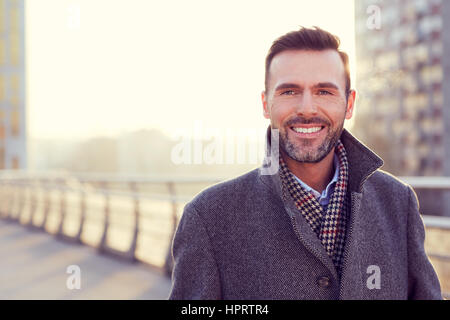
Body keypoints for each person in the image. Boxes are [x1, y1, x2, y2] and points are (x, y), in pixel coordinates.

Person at [169, 26, 442, 300]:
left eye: (324, 91)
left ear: (349, 103)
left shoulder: (398, 202)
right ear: (266, 104)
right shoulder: (208, 218)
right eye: (289, 92)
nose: (307, 109)